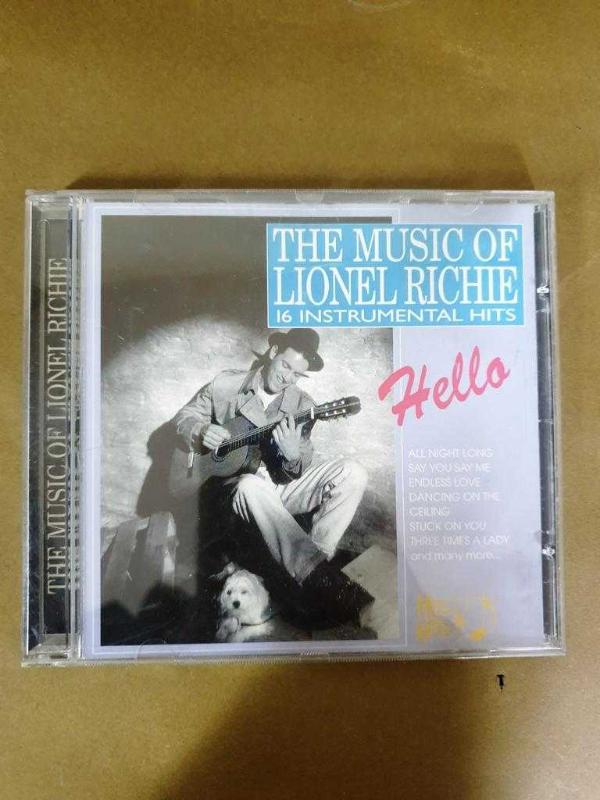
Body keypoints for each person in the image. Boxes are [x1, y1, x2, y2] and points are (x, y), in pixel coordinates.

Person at [174, 328, 374, 625]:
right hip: (230, 489)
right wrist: (201, 430)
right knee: (250, 484)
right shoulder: (227, 385)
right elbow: (184, 417)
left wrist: (292, 454)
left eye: (297, 374)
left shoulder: (303, 406)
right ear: (273, 352)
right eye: (285, 366)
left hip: (275, 487)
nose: (287, 378)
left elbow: (296, 467)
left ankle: (313, 571)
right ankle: (323, 580)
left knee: (353, 472)